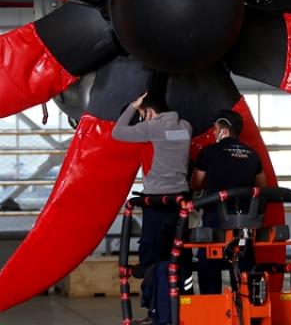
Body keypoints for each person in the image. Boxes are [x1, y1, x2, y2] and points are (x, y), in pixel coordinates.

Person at [112, 89, 192, 325]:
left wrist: (133, 107)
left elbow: (118, 132)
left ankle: (154, 311)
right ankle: (184, 308)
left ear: (148, 112)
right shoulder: (186, 127)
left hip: (156, 202)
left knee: (151, 257)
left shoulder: (153, 127)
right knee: (179, 255)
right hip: (180, 201)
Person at [189, 109, 266, 295]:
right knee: (244, 260)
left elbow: (195, 184)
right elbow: (262, 186)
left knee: (209, 258)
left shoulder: (209, 152)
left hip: (216, 218)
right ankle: (248, 302)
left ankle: (212, 302)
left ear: (223, 130)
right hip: (245, 220)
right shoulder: (252, 154)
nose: (213, 133)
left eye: (215, 129)